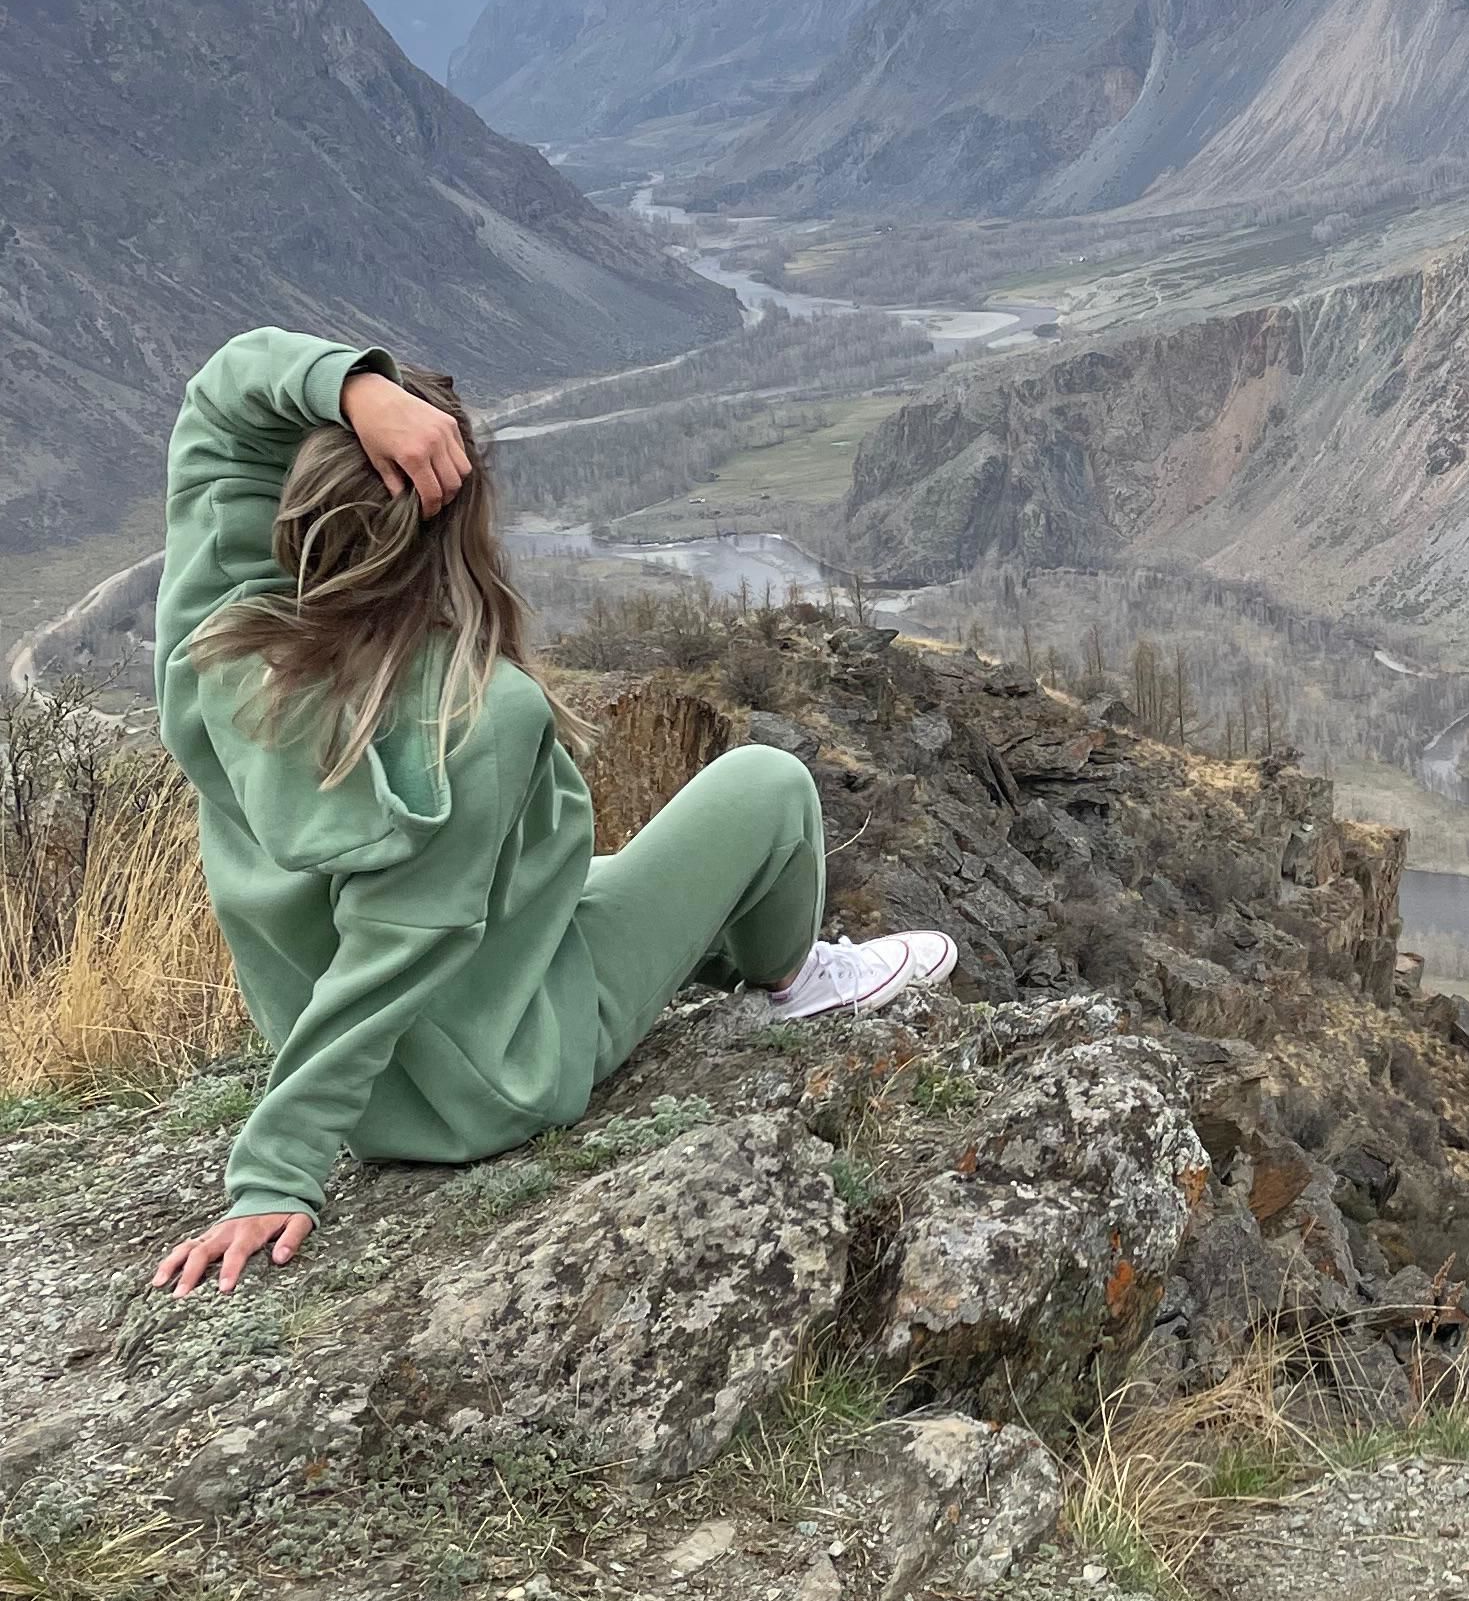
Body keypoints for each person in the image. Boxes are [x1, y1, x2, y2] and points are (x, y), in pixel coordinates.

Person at [147, 327, 953, 1299]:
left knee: (588, 877)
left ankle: (710, 946)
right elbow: (395, 950)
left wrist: (350, 389)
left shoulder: (216, 650)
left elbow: (216, 405)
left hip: (378, 1097)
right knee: (767, 785)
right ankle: (795, 977)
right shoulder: (476, 716)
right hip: (500, 1077)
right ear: (456, 523)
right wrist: (274, 1174)